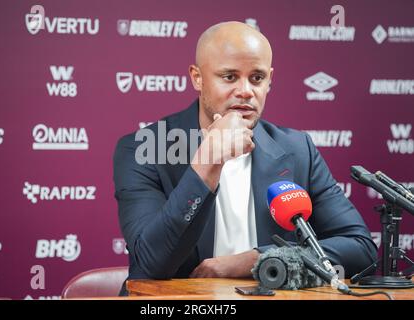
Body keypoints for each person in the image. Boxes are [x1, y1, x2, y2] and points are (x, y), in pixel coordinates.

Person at [113, 21, 377, 295]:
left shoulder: (298, 149)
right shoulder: (146, 148)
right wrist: (207, 164)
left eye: (257, 78)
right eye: (229, 77)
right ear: (197, 77)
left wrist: (257, 259)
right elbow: (152, 263)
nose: (245, 91)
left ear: (270, 79)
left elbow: (359, 247)